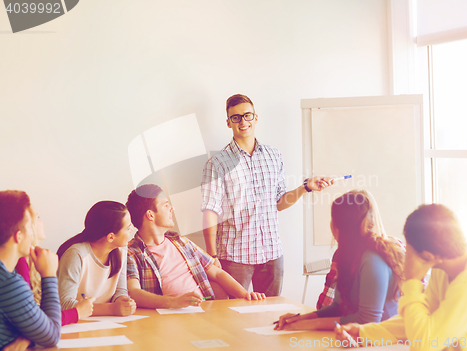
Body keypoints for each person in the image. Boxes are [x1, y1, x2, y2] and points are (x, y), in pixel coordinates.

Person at [201, 93, 334, 296]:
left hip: (271, 254)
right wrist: (211, 255)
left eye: (247, 115)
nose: (243, 121)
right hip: (235, 256)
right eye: (236, 117)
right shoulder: (217, 163)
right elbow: (210, 211)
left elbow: (279, 202)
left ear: (255, 117)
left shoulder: (274, 156)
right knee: (233, 317)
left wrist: (305, 187)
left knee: (269, 316)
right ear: (228, 123)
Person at [334, 204, 467, 350]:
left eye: (409, 250)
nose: (406, 256)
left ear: (428, 256)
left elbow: (424, 344)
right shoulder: (443, 267)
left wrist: (412, 281)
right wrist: (364, 333)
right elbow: (420, 322)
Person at [275, 189, 405, 330]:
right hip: (357, 337)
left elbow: (368, 321)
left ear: (341, 227)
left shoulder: (373, 260)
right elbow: (338, 307)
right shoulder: (346, 254)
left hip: (383, 341)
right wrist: (303, 318)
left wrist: (311, 324)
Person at [126, 184, 266, 309]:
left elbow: (217, 273)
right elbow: (134, 293)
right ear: (150, 215)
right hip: (166, 318)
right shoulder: (131, 253)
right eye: (165, 205)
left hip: (205, 310)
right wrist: (173, 302)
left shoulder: (180, 241)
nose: (172, 208)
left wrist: (246, 295)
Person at [0, 190, 60, 350]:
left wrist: (27, 337)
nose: (33, 232)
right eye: (29, 227)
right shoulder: (9, 284)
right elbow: (52, 335)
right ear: (18, 236)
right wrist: (49, 275)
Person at [15, 207, 94, 325]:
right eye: (38, 217)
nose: (42, 222)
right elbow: (39, 323)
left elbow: (41, 316)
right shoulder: (20, 262)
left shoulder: (30, 260)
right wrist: (77, 312)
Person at [57, 201, 136, 316]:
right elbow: (64, 304)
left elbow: (120, 291)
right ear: (111, 237)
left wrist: (123, 302)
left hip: (107, 324)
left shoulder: (121, 252)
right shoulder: (76, 254)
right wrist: (112, 309)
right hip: (77, 326)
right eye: (128, 228)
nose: (132, 230)